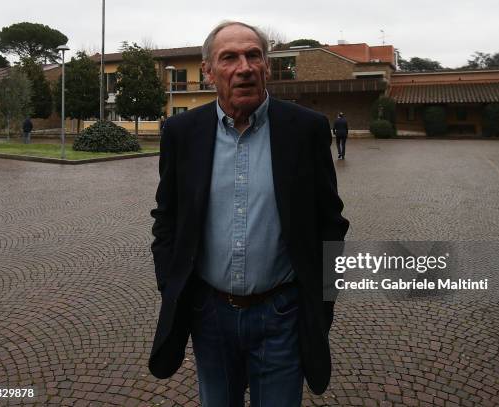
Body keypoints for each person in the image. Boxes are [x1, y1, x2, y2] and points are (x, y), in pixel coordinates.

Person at [148, 21, 349, 407]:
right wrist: (172, 285)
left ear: (266, 67)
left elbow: (330, 222)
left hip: (282, 314)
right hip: (209, 315)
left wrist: (321, 297)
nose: (244, 67)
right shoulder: (181, 132)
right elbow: (168, 218)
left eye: (253, 55)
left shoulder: (305, 129)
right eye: (229, 58)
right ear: (209, 71)